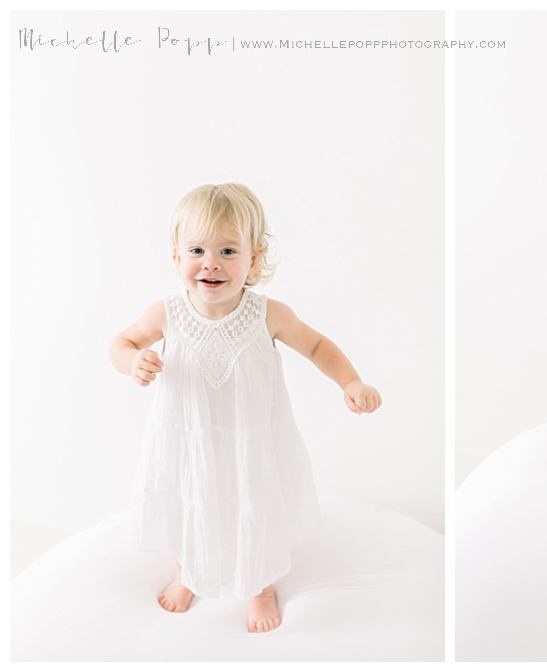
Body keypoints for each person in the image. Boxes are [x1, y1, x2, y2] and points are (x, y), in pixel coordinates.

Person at [108, 183, 382, 632]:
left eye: (228, 250)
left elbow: (315, 344)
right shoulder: (167, 314)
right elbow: (120, 343)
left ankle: (260, 584)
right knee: (189, 497)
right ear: (176, 258)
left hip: (250, 439)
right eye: (196, 249)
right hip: (187, 436)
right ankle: (188, 571)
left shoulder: (267, 315)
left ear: (254, 260)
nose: (211, 262)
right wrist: (132, 361)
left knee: (252, 502)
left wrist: (350, 381)